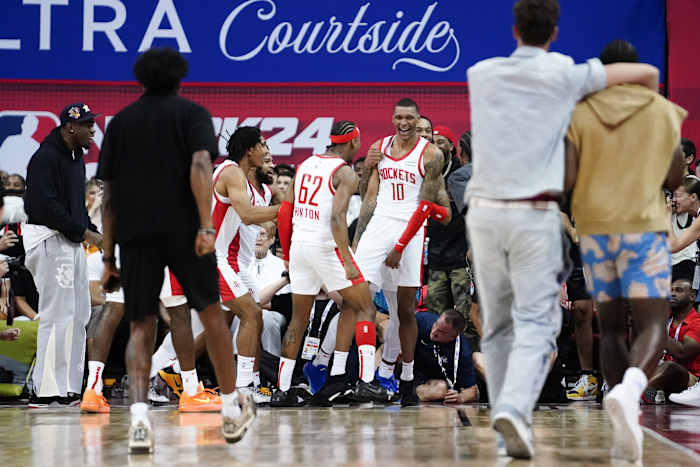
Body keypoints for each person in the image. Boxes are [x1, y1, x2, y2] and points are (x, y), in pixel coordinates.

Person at [465, 0, 661, 459]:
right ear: (554, 32)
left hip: (485, 214)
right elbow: (647, 73)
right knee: (539, 321)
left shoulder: (481, 72)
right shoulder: (568, 72)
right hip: (534, 213)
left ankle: (505, 417)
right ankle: (514, 407)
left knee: (496, 326)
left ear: (514, 29)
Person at [97, 47, 254, 453]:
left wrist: (108, 255)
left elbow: (109, 196)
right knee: (211, 314)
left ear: (140, 78)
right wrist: (206, 224)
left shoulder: (121, 123)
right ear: (181, 76)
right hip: (184, 229)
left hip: (135, 234)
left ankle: (138, 418)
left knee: (140, 325)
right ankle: (232, 409)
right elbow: (201, 167)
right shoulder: (193, 114)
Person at [567, 39, 685, 462]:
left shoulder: (583, 110)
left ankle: (623, 420)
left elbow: (567, 176)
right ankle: (633, 388)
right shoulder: (657, 108)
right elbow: (675, 178)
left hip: (596, 230)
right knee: (652, 321)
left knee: (612, 328)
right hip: (644, 227)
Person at [273, 120, 385, 406]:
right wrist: (347, 260)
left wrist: (287, 253)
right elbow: (337, 219)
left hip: (299, 245)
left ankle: (283, 389)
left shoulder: (306, 164)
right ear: (353, 142)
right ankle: (367, 382)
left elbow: (285, 213)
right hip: (326, 246)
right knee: (365, 307)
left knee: (300, 318)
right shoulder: (344, 172)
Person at [354, 98, 451, 406]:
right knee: (355, 297)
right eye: (399, 117)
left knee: (404, 311)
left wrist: (399, 247)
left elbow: (425, 207)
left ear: (419, 120)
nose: (404, 122)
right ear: (393, 118)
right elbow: (367, 198)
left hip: (410, 231)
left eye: (410, 118)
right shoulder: (380, 147)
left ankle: (403, 377)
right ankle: (363, 377)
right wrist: (358, 238)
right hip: (379, 225)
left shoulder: (431, 154)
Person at [23, 102, 103, 407]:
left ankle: (69, 386)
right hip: (47, 238)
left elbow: (75, 207)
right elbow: (45, 207)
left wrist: (93, 229)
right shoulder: (45, 157)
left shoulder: (75, 157)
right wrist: (85, 233)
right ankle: (44, 389)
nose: (93, 130)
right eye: (87, 125)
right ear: (71, 128)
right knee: (57, 315)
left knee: (79, 313)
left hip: (69, 241)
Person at [645, 278, 700, 404]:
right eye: (670, 290)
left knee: (670, 367)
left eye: (678, 290)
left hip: (690, 378)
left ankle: (639, 393)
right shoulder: (665, 318)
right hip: (661, 368)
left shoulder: (697, 323)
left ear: (692, 296)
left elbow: (683, 355)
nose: (672, 294)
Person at [413, 311, 478, 404]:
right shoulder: (422, 320)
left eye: (441, 332)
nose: (434, 332)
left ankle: (404, 394)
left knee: (440, 389)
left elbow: (472, 391)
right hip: (411, 373)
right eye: (435, 325)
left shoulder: (463, 350)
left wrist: (460, 398)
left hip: (434, 384)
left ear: (453, 337)